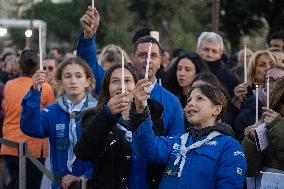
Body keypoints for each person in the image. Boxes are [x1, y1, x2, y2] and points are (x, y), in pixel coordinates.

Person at [77, 6, 184, 136]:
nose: (148, 60)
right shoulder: (114, 85)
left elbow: (175, 143)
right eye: (142, 55)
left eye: (153, 56)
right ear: (132, 57)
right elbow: (89, 66)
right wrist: (89, 37)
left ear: (161, 61)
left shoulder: (171, 102)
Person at [130, 82, 246, 189]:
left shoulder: (229, 147)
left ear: (216, 109)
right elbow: (147, 149)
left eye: (200, 98)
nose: (190, 103)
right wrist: (140, 109)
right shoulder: (178, 141)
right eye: (189, 100)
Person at [75, 64, 165, 189]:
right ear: (107, 88)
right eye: (115, 81)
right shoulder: (94, 118)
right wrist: (107, 115)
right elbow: (82, 152)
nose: (122, 86)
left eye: (127, 81)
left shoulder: (154, 117)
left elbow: (161, 156)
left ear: (136, 86)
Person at [20, 57, 97, 189]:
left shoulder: (98, 113)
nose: (73, 81)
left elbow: (107, 155)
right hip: (60, 186)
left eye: (78, 76)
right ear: (60, 83)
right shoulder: (52, 111)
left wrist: (84, 177)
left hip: (91, 184)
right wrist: (35, 91)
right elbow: (30, 128)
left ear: (87, 82)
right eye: (67, 76)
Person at [1, 49, 55, 189]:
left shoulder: (9, 86)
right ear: (38, 67)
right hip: (34, 149)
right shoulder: (46, 88)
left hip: (10, 145)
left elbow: (7, 110)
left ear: (20, 66)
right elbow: (51, 117)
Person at [242, 76, 284, 177]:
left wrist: (278, 126)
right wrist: (252, 140)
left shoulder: (275, 125)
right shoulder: (267, 125)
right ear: (277, 100)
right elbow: (247, 171)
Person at [233, 65, 284, 141]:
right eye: (270, 80)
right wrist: (250, 137)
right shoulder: (249, 110)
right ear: (264, 84)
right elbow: (239, 144)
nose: (275, 84)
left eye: (280, 80)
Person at [196, 32, 239, 97]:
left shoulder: (228, 76)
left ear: (220, 55)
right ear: (198, 50)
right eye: (206, 49)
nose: (209, 54)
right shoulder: (188, 68)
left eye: (214, 51)